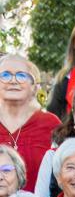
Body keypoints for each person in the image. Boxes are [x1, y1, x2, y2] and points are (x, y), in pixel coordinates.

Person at [0, 54, 60, 189]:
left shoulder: (51, 124)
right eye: (5, 75)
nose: (13, 81)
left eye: (21, 76)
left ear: (34, 86)